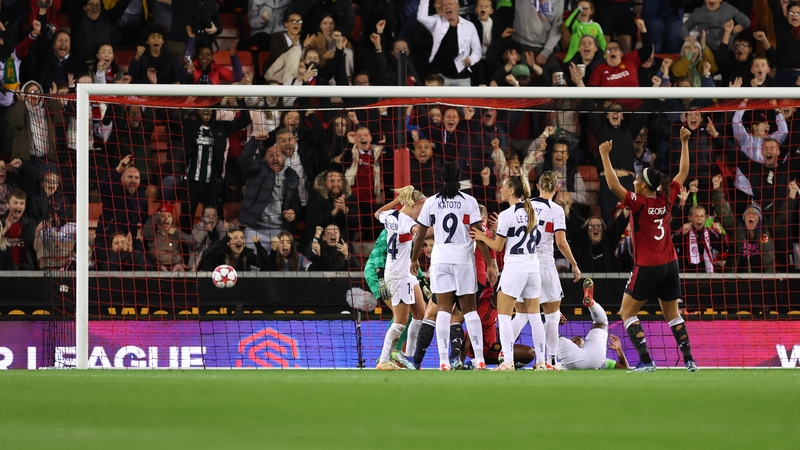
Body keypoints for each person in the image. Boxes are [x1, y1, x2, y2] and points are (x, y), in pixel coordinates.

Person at [598, 127, 698, 372]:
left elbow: (612, 184)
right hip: (670, 264)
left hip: (647, 265)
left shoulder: (638, 202)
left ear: (643, 186)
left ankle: (646, 361)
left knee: (626, 312)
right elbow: (683, 172)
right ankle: (689, 361)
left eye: (637, 180)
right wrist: (685, 142)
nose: (634, 181)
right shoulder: (666, 198)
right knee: (672, 314)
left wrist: (604, 155)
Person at [410, 162, 498, 370]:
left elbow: (421, 234)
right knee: (470, 311)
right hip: (463, 261)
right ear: (459, 179)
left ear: (442, 178)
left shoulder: (432, 202)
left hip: (440, 261)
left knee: (443, 311)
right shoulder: (469, 202)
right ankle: (479, 359)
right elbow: (479, 234)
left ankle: (442, 361)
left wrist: (414, 259)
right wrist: (489, 264)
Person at [471, 175, 544, 370]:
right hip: (533, 267)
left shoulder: (507, 214)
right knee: (535, 316)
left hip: (515, 269)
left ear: (511, 190)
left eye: (504, 186)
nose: (501, 189)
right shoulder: (533, 211)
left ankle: (508, 362)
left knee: (503, 316)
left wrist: (481, 236)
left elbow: (498, 245)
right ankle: (543, 363)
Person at [530, 171, 582, 369]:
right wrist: (574, 265)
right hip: (544, 264)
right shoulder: (556, 210)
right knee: (552, 315)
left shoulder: (524, 206)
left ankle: (506, 356)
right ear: (557, 188)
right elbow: (560, 243)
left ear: (538, 186)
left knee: (524, 314)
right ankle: (550, 361)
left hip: (524, 264)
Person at [372, 186, 428, 370]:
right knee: (400, 321)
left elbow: (377, 212)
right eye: (422, 207)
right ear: (415, 204)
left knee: (421, 313)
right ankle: (383, 361)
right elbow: (419, 232)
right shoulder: (405, 221)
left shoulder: (391, 216)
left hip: (406, 273)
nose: (423, 212)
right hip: (398, 275)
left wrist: (398, 200)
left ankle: (408, 357)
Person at [238, 141, 301, 246]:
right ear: (265, 159)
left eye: (278, 155)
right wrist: (255, 141)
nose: (275, 158)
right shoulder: (258, 170)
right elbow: (244, 160)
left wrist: (293, 210)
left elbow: (296, 201)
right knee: (253, 262)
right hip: (255, 229)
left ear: (283, 159)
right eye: (271, 155)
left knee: (279, 262)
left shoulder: (291, 176)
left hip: (280, 231)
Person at [557, 279, 629, 370]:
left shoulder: (602, 360)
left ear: (584, 343)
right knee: (601, 323)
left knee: (552, 337)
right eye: (574, 341)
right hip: (587, 359)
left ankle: (590, 303)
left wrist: (619, 350)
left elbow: (624, 367)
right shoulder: (560, 363)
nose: (575, 342)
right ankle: (591, 304)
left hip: (586, 358)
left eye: (578, 340)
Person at [199, 228, 270, 271]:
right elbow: (207, 255)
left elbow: (266, 264)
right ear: (228, 242)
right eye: (235, 238)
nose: (240, 240)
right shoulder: (221, 253)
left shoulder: (247, 253)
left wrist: (259, 246)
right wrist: (224, 240)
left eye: (242, 238)